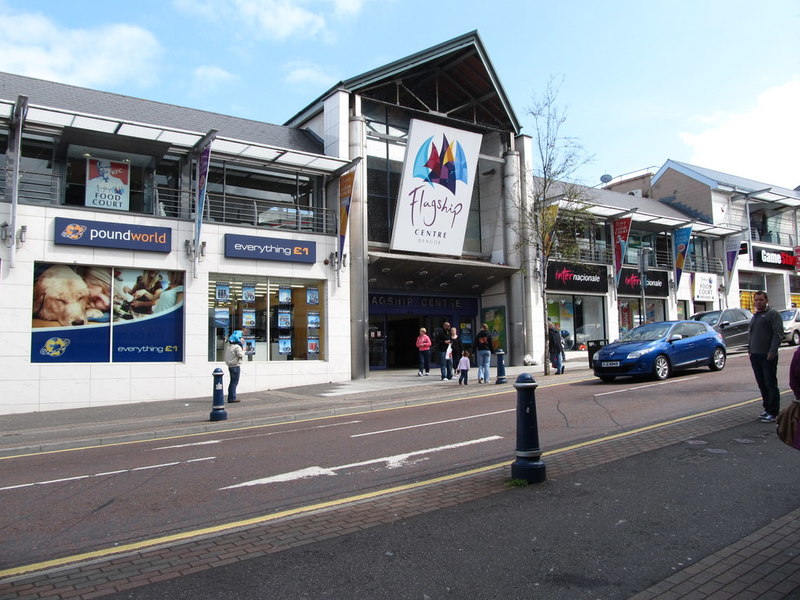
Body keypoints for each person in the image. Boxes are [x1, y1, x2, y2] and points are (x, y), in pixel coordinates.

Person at [748, 291, 783, 422]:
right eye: (756, 300)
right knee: (762, 384)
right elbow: (752, 334)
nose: (758, 302)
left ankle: (773, 412)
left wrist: (772, 351)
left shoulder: (772, 314)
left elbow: (778, 334)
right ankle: (767, 409)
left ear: (766, 300)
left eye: (761, 300)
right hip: (755, 355)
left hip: (767, 356)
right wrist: (750, 350)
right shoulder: (755, 316)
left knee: (770, 383)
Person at [225, 330, 245, 403]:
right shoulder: (237, 347)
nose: (242, 339)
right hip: (235, 366)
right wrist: (244, 350)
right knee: (234, 382)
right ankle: (232, 398)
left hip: (230, 366)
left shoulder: (229, 346)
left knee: (232, 382)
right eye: (241, 337)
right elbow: (241, 355)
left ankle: (231, 397)